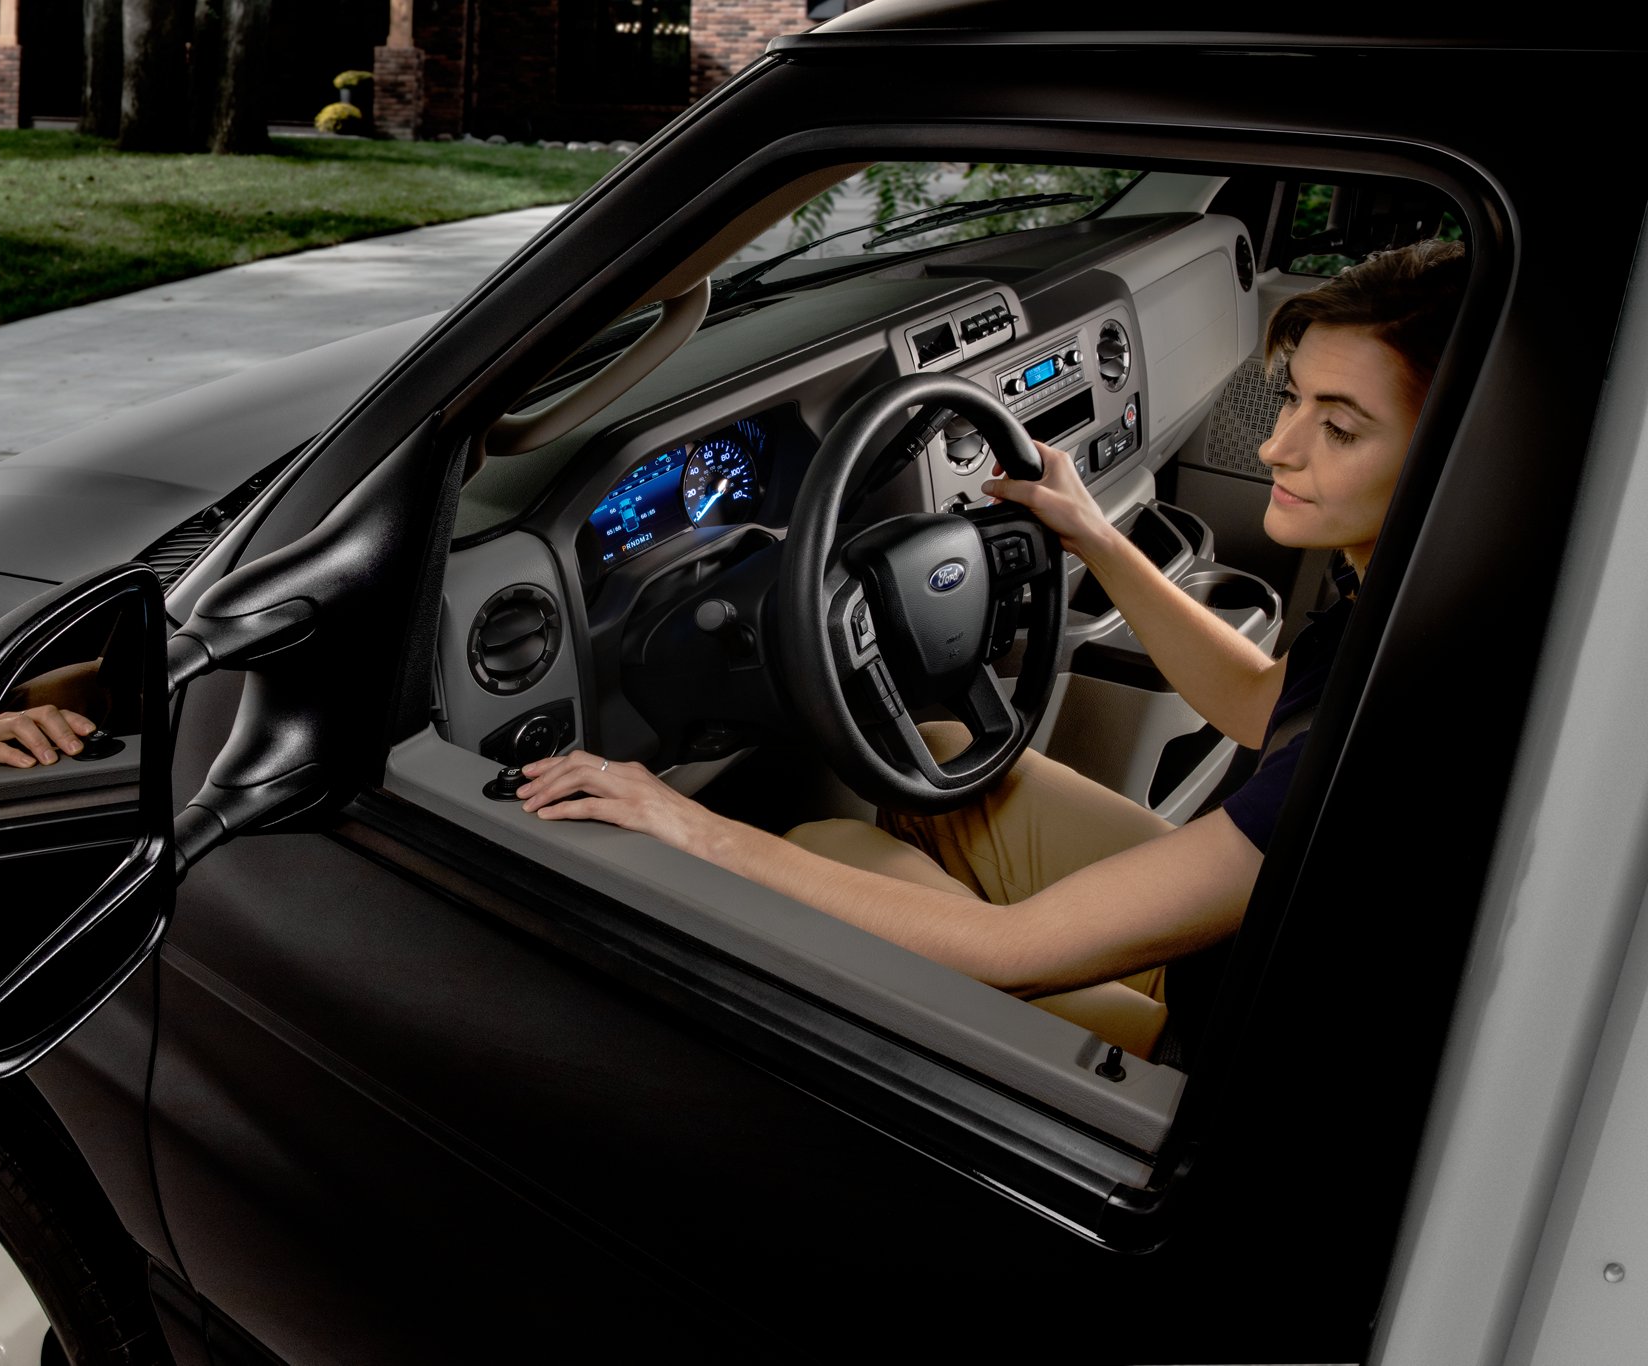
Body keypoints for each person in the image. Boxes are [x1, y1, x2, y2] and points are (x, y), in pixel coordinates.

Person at [516, 237, 1468, 1053]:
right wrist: (1093, 534)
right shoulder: (1407, 586)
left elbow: (1011, 953)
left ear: (1465, 452)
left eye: (1339, 428)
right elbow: (1263, 706)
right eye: (1292, 400)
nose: (1278, 448)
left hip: (1210, 1054)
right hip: (1246, 945)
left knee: (826, 840)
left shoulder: (1414, 707)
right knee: (934, 754)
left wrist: (689, 827)